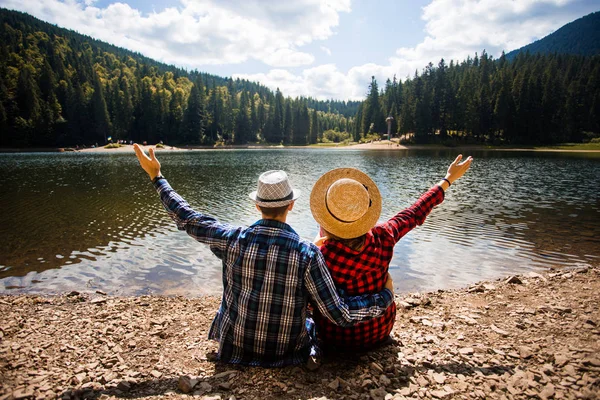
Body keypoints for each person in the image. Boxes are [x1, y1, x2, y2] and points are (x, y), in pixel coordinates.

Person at [132, 144, 395, 367]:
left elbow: (187, 217)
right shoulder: (308, 253)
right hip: (288, 356)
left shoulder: (232, 239)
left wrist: (158, 177)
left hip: (235, 350)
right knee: (312, 311)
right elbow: (341, 314)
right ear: (291, 205)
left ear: (257, 205)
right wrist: (384, 297)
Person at [310, 154, 473, 350]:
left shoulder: (321, 254)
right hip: (379, 332)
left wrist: (314, 246)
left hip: (336, 340)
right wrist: (447, 180)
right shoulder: (383, 235)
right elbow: (414, 213)